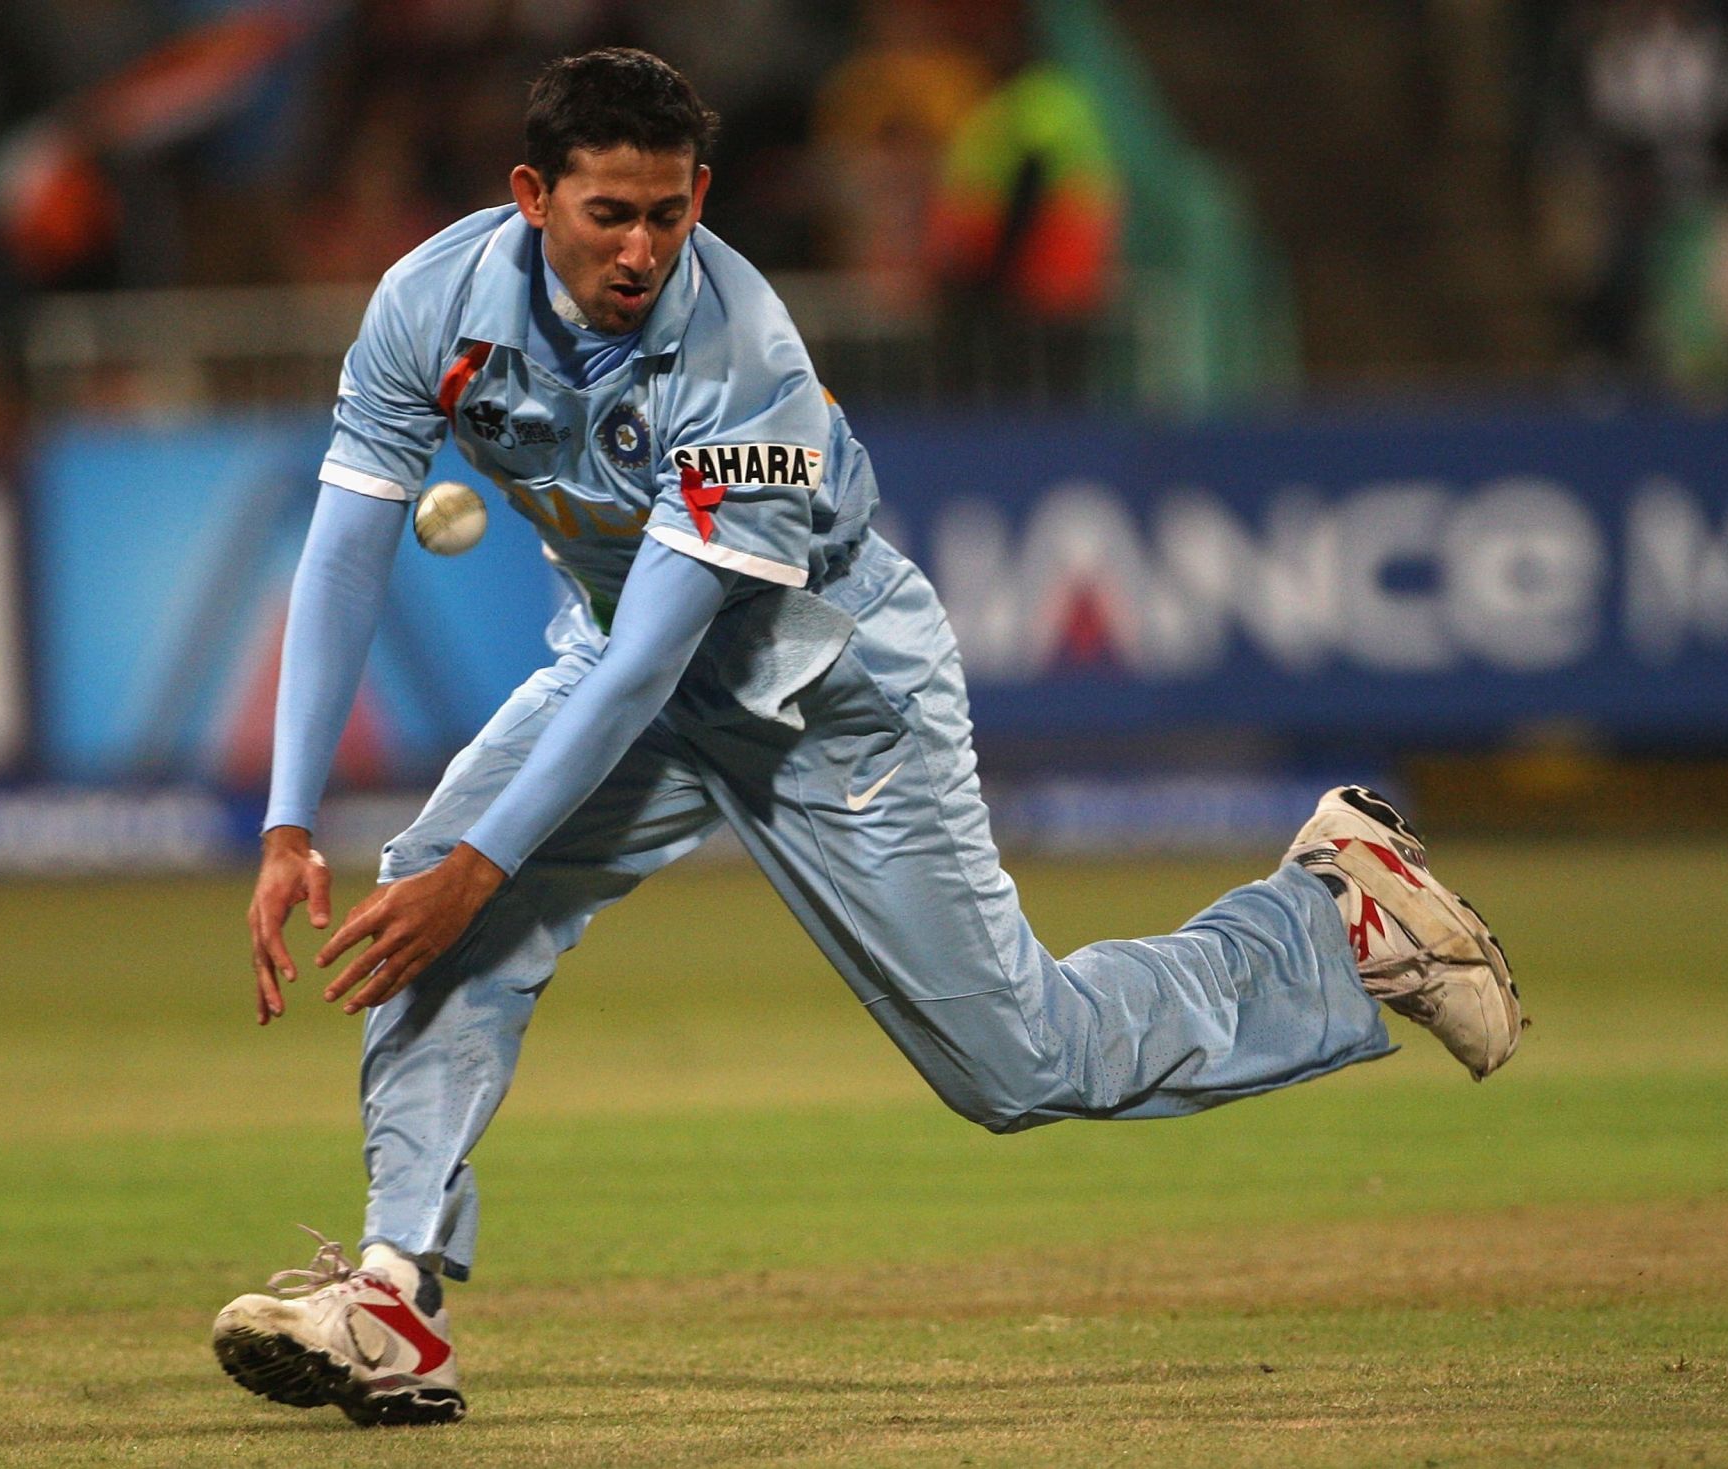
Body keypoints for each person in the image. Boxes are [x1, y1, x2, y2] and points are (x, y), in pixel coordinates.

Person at [212, 48, 1522, 1429]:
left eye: (670, 212)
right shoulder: (432, 301)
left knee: (1019, 1065)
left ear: (702, 197)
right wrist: (292, 819)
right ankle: (394, 1298)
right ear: (532, 196)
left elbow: (663, 650)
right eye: (610, 213)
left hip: (828, 692)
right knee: (432, 907)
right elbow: (348, 549)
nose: (645, 246)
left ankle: (1329, 919)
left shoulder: (745, 359)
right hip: (620, 667)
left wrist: (480, 865)